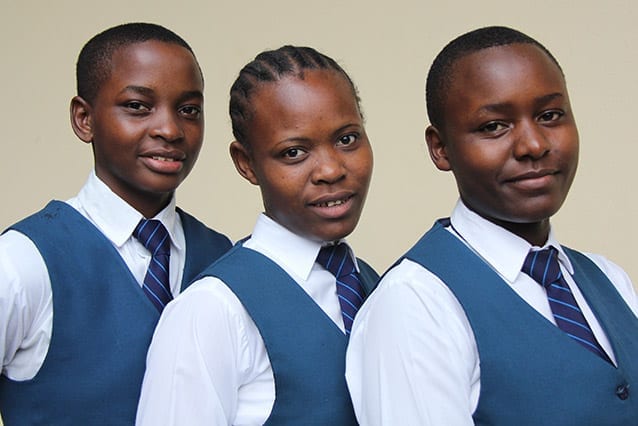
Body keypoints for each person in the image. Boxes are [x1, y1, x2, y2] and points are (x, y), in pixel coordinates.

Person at [346, 26, 638, 425]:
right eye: (494, 126)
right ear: (441, 148)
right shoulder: (416, 304)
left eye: (550, 115)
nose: (533, 145)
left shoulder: (609, 279)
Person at [0, 23, 232, 425]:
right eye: (138, 106)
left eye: (188, 110)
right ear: (84, 119)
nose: (170, 129)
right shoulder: (22, 262)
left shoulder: (221, 257)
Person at [136, 45, 378, 425]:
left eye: (346, 139)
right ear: (246, 164)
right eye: (294, 152)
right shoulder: (212, 311)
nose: (331, 169)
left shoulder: (372, 284)